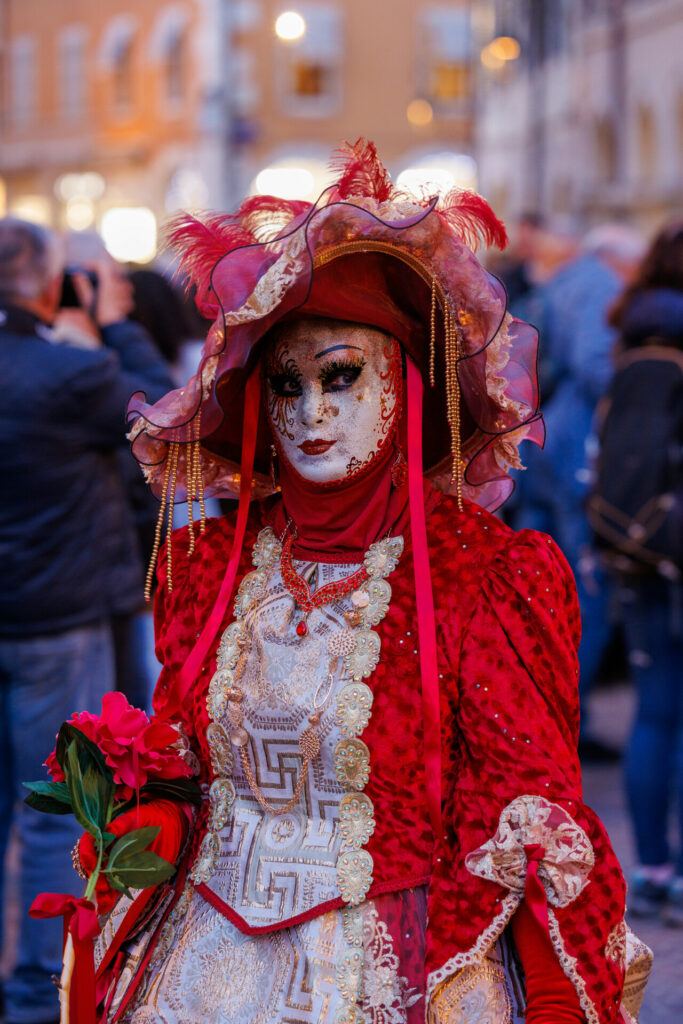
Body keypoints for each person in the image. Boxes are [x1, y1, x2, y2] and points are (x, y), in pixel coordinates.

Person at [67, 142, 648, 1022]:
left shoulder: (481, 576)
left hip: (398, 968)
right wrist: (139, 822)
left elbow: (524, 808)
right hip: (199, 963)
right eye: (287, 387)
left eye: (342, 377)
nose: (312, 415)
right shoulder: (211, 568)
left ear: (404, 389)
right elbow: (185, 760)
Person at [0, 217, 173, 1024]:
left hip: (36, 609)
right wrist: (111, 318)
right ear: (47, 283)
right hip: (56, 620)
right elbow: (162, 409)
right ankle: (37, 997)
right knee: (52, 811)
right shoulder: (68, 375)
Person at [511, 223, 645, 762]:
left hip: (543, 448)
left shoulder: (563, 282)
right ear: (619, 260)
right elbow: (596, 367)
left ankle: (522, 715)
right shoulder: (600, 287)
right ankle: (562, 722)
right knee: (582, 594)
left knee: (532, 591)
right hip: (577, 458)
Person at [593, 222, 683, 924]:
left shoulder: (630, 340)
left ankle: (652, 866)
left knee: (654, 712)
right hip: (676, 541)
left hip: (633, 546)